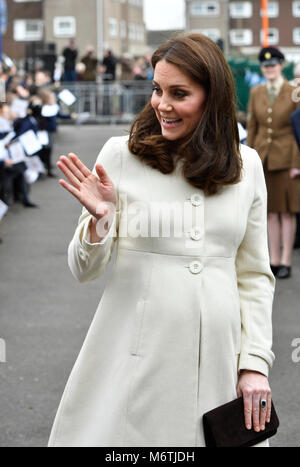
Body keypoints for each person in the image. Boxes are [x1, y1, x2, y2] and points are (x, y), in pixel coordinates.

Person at [49, 34, 275, 447]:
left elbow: (256, 276)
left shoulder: (249, 166)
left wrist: (255, 363)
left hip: (217, 364)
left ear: (214, 98)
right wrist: (101, 223)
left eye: (179, 93)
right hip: (133, 359)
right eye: (157, 89)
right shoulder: (121, 154)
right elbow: (82, 269)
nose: (162, 104)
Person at [247, 47, 300, 279]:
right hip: (262, 159)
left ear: (281, 66)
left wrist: (297, 162)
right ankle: (273, 259)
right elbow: (252, 128)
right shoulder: (256, 92)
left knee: (286, 212)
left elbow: (299, 128)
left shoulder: (294, 92)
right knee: (268, 213)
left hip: (287, 160)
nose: (269, 69)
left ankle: (286, 259)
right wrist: (248, 158)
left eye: (274, 65)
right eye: (266, 66)